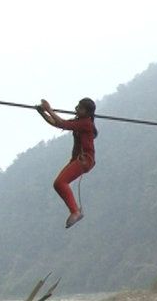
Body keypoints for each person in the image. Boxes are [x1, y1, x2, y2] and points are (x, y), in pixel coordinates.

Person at [36, 98, 97, 229]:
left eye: (80, 108)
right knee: (58, 184)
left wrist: (48, 109)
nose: (77, 109)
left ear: (87, 112)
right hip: (79, 160)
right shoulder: (80, 122)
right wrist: (43, 113)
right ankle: (75, 211)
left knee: (59, 183)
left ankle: (75, 211)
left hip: (85, 160)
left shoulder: (86, 123)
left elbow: (63, 123)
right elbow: (57, 123)